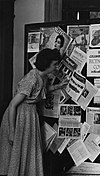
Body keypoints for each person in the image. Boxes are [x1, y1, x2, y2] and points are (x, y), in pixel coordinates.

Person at [0, 48, 68, 176]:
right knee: (18, 153)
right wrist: (12, 131)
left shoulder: (42, 76)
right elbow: (13, 104)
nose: (56, 67)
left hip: (30, 115)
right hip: (19, 116)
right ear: (46, 64)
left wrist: (59, 86)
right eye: (54, 64)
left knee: (28, 151)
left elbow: (42, 90)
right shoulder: (32, 78)